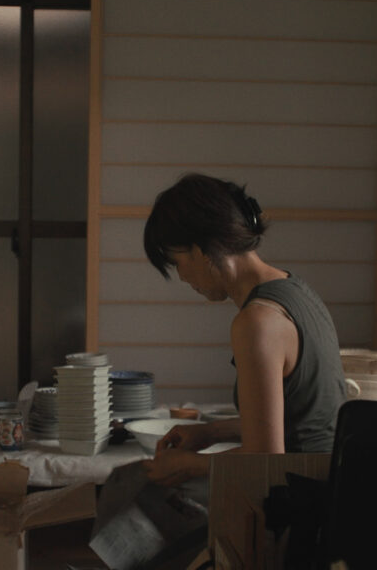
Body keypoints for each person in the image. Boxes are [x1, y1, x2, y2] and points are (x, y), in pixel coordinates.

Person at [141, 173, 350, 487]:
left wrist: (188, 464)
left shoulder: (257, 322)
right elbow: (298, 420)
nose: (182, 277)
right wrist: (210, 432)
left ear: (199, 250)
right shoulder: (295, 290)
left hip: (303, 497)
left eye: (177, 262)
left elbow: (264, 459)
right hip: (332, 481)